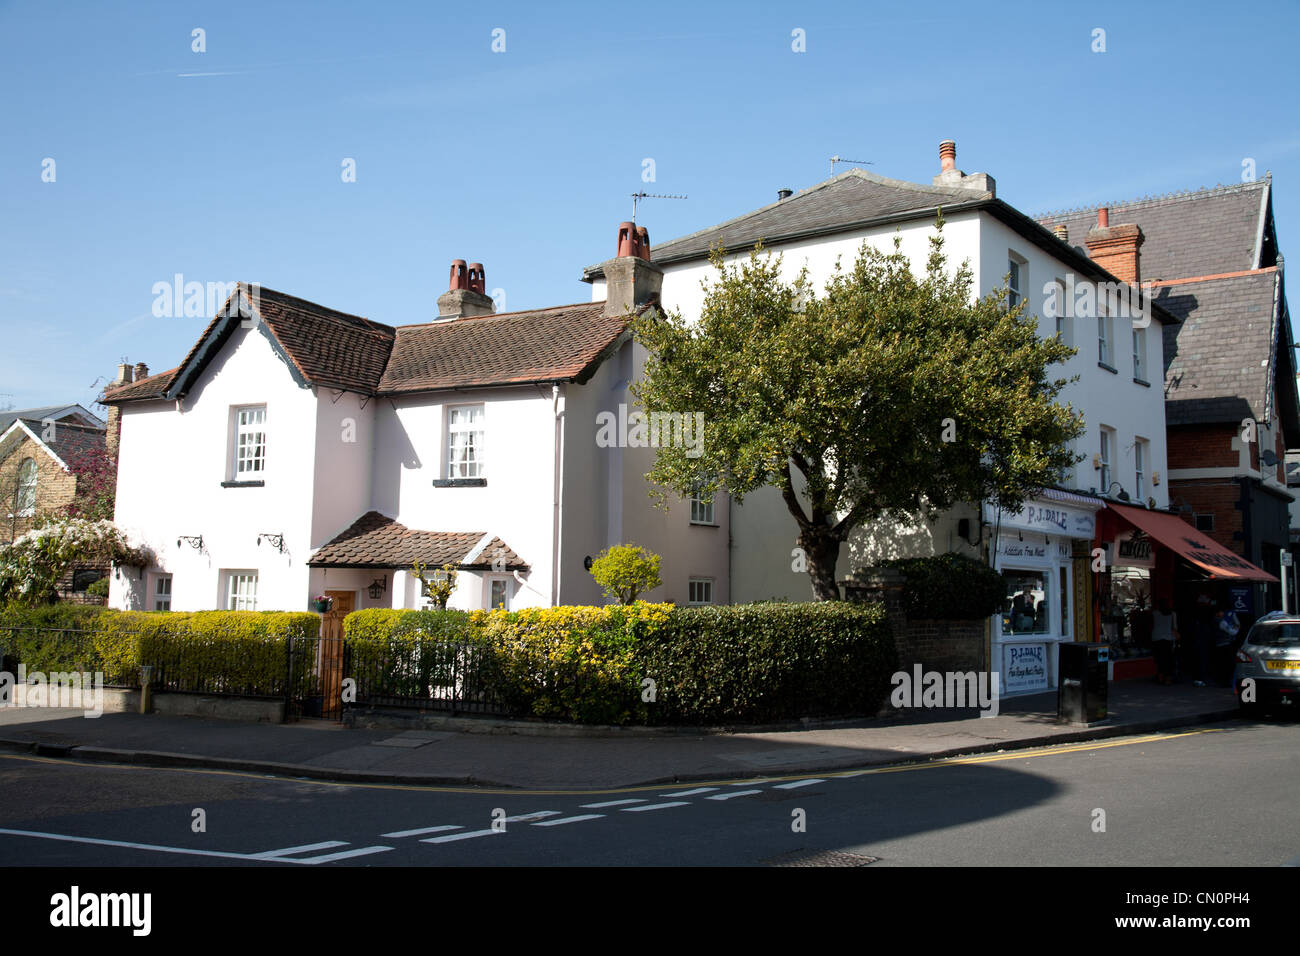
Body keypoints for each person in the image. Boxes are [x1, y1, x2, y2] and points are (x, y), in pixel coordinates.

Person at [1151, 598, 1179, 685]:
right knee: (1169, 659)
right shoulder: (1172, 614)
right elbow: (1174, 627)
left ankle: (1160, 676)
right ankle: (1168, 678)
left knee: (1159, 659)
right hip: (1168, 638)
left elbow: (1152, 625)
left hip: (1156, 638)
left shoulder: (1154, 613)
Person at [1214, 607, 1241, 687]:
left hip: (1220, 644)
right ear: (1218, 613)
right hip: (1224, 644)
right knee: (1226, 664)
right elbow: (1232, 632)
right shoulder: (1221, 622)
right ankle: (1225, 681)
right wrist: (1237, 627)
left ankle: (1223, 681)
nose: (1223, 614)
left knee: (1222, 664)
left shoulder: (1216, 621)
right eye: (1222, 612)